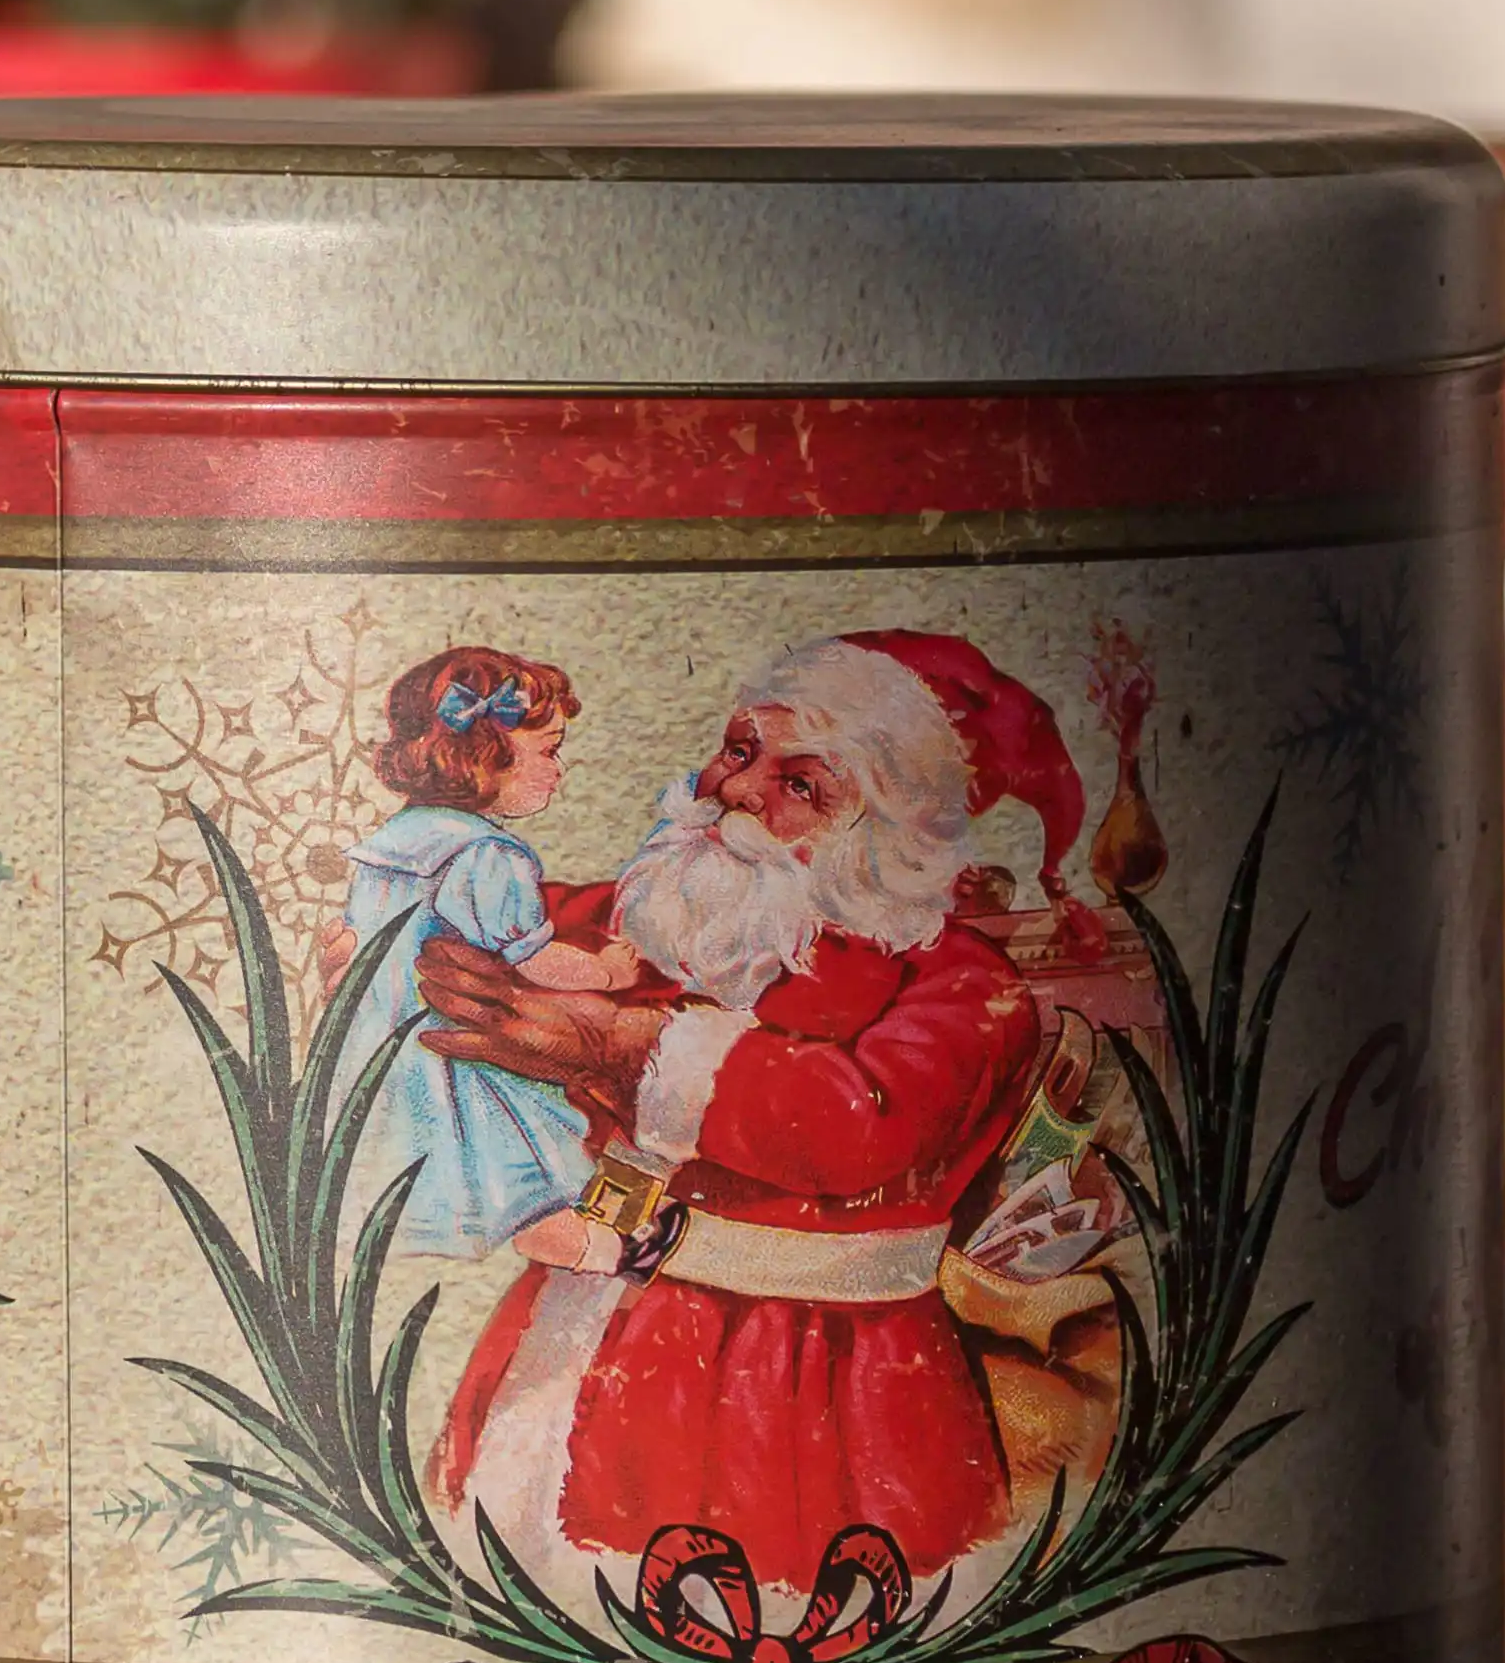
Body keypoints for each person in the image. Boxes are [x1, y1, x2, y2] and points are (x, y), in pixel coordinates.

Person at [411, 629, 1104, 1611]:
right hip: (569, 1335)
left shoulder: (958, 987)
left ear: (888, 833)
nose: (737, 792)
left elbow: (855, 1125)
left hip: (809, 1391)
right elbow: (476, 921)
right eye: (740, 751)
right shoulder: (653, 916)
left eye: (801, 785)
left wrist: (620, 1046)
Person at [338, 645, 643, 1260]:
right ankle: (598, 1251)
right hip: (453, 1042)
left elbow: (359, 937)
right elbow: (534, 957)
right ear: (486, 756)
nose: (560, 769)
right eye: (550, 751)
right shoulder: (487, 855)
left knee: (433, 1162)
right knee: (514, 1160)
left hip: (379, 1038)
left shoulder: (391, 839)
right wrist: (608, 972)